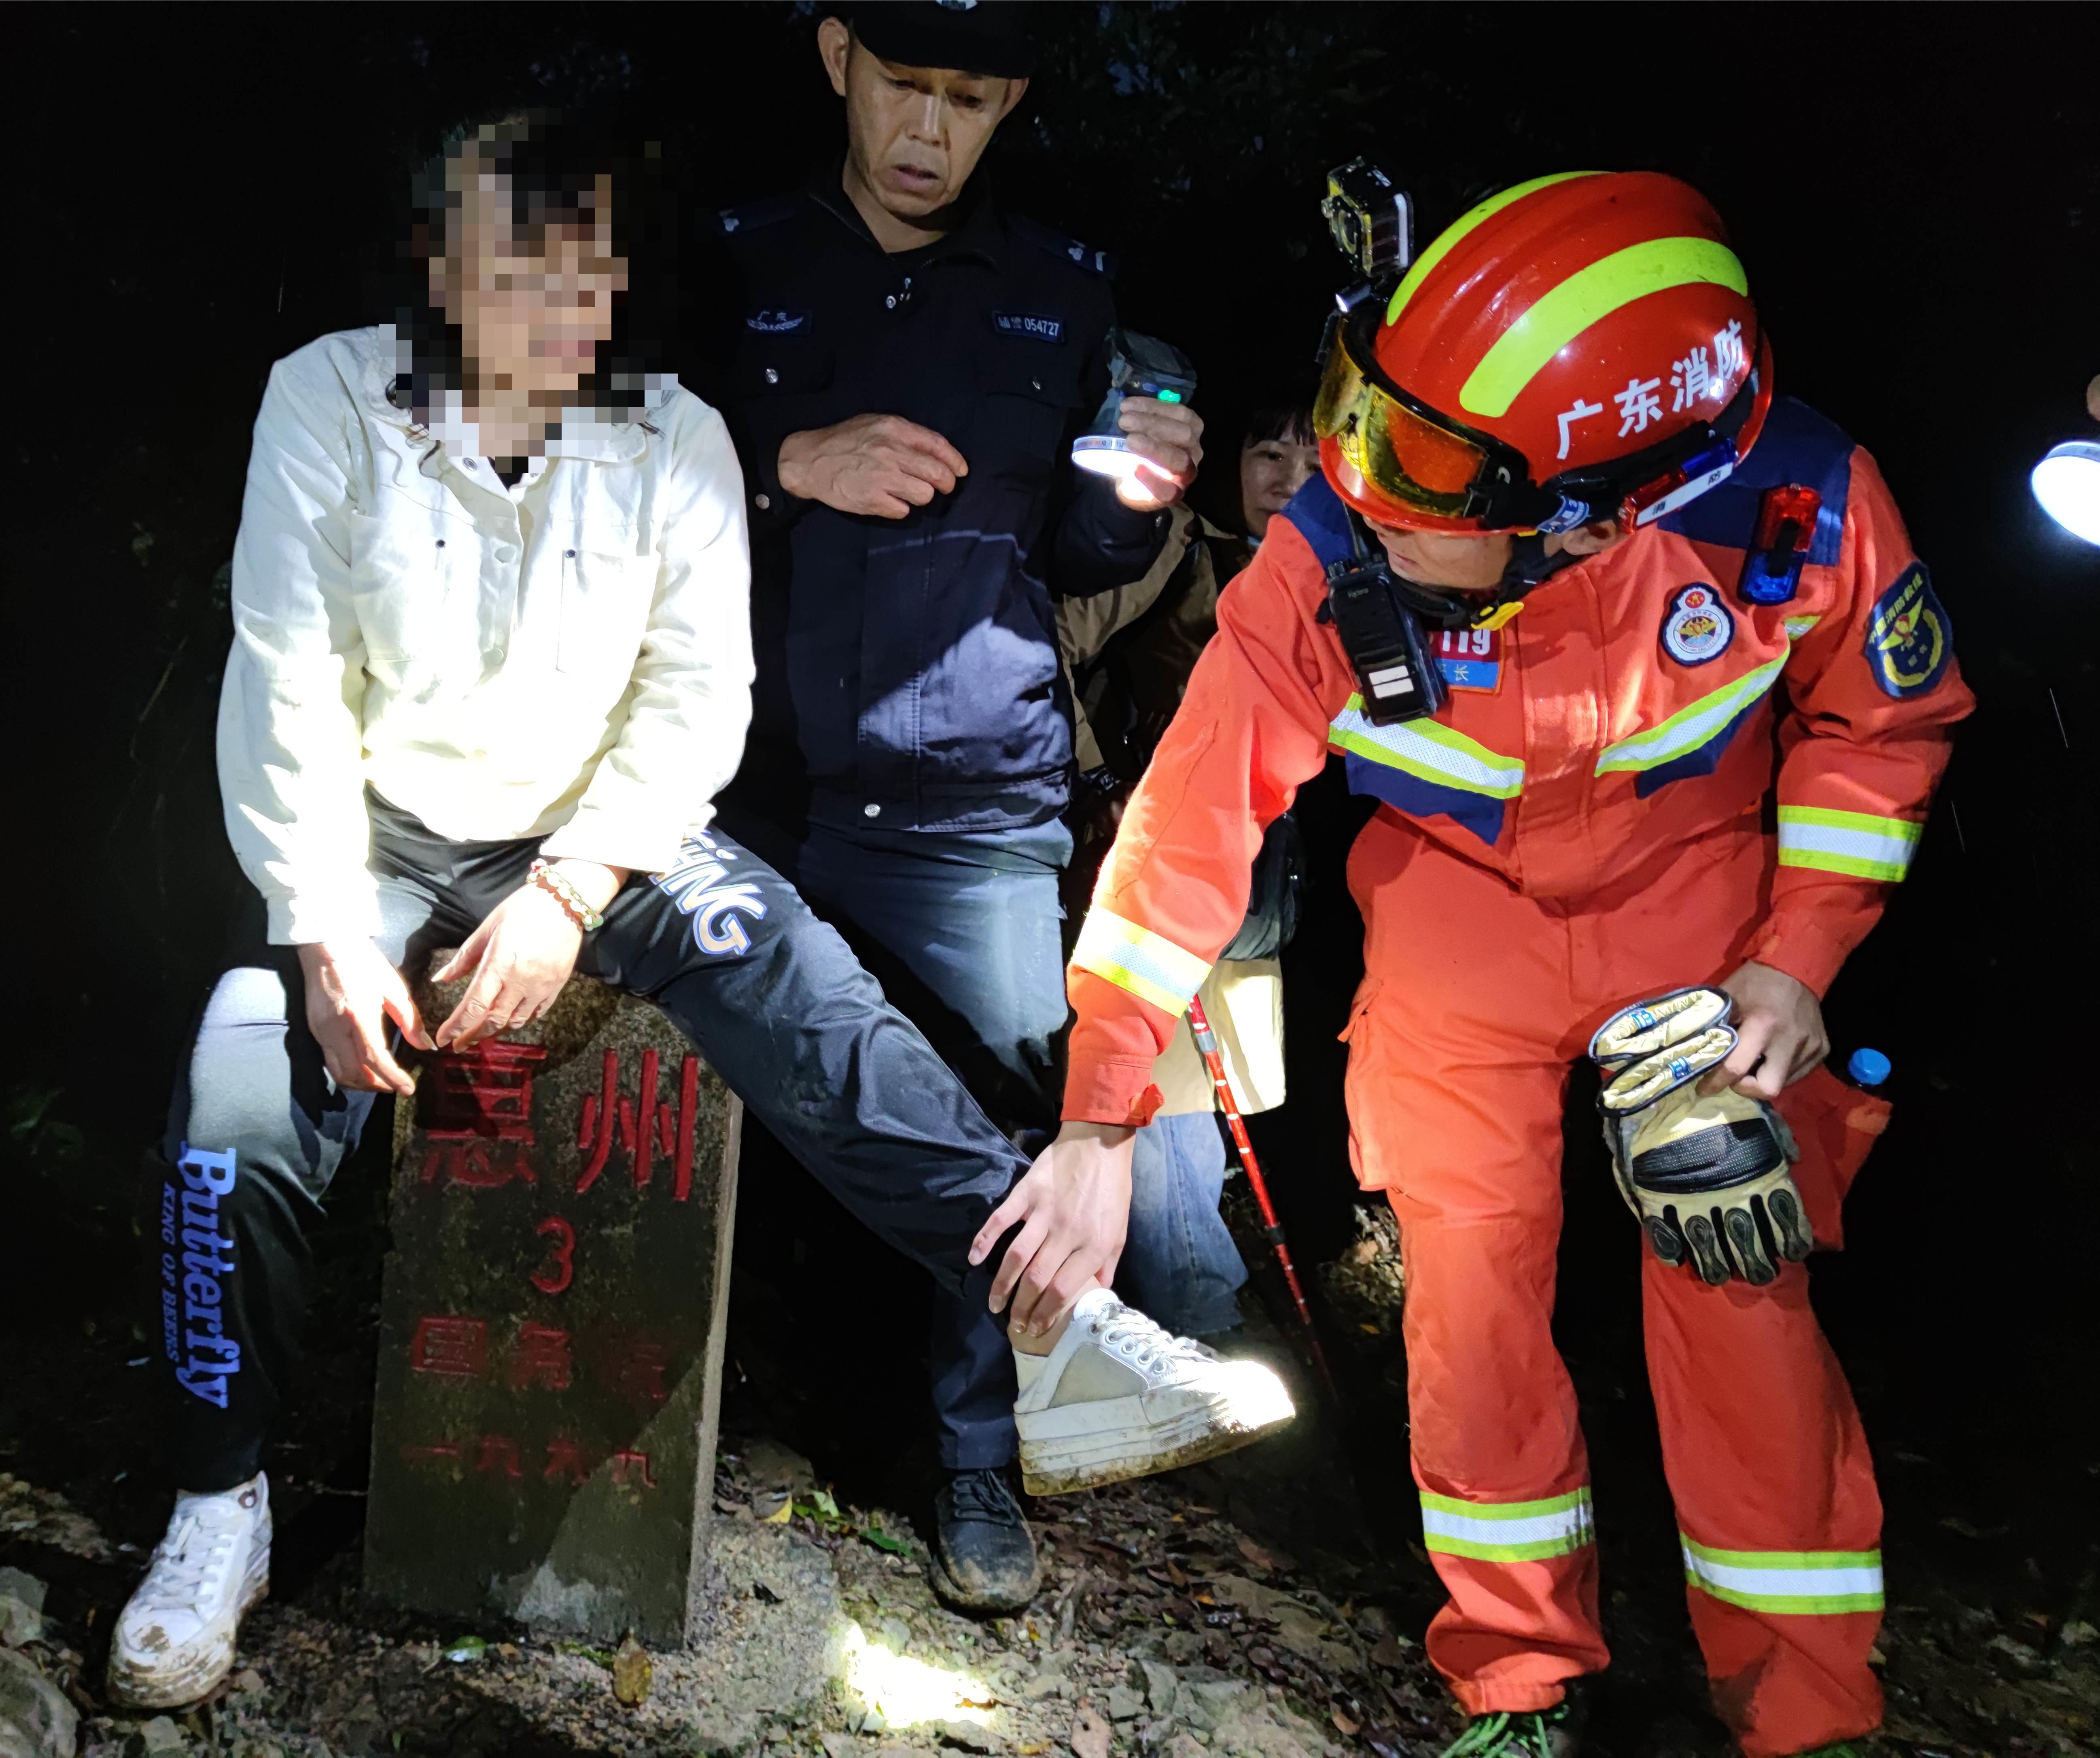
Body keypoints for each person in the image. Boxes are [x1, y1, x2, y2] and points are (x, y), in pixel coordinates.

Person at [106, 110, 1289, 1711]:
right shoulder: (330, 396)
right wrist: (323, 925)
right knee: (236, 1097)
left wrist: (569, 891)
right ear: (439, 272)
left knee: (807, 991)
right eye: (518, 275)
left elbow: (689, 704)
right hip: (375, 835)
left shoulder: (665, 435)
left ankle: (1059, 1314)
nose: (559, 316)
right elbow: (283, 673)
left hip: (607, 833)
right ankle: (215, 1500)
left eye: (586, 280)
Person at [1032, 170, 1973, 1757]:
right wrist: (1099, 1110)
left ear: (1592, 506)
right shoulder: (1342, 536)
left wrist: (1793, 965)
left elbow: (1877, 729)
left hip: (1703, 926)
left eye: (1424, 472)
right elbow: (1188, 822)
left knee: (1735, 1285)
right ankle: (1514, 1681)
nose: (1356, 481)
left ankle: (1804, 1712)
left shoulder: (1791, 506)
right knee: (1466, 1308)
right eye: (1369, 418)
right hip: (1451, 925)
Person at [700, 1, 1207, 1611]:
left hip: (976, 806)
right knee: (748, 1087)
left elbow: (1077, 556)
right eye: (906, 86)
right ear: (836, 55)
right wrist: (788, 456)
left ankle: (980, 1469)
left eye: (970, 100)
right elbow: (612, 469)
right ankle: (689, 1413)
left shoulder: (1057, 290)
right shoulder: (735, 257)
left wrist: (1134, 497)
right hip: (751, 786)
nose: (930, 130)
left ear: (1010, 106)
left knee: (1005, 1119)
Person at [1056, 393, 1317, 1340]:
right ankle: (1193, 1319)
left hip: (1261, 869)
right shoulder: (1184, 550)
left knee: (1226, 1086)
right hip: (1165, 857)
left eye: (1312, 459)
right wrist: (1095, 783)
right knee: (1161, 1086)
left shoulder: (1350, 560)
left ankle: (1194, 1304)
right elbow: (1049, 636)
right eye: (1266, 456)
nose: (1289, 484)